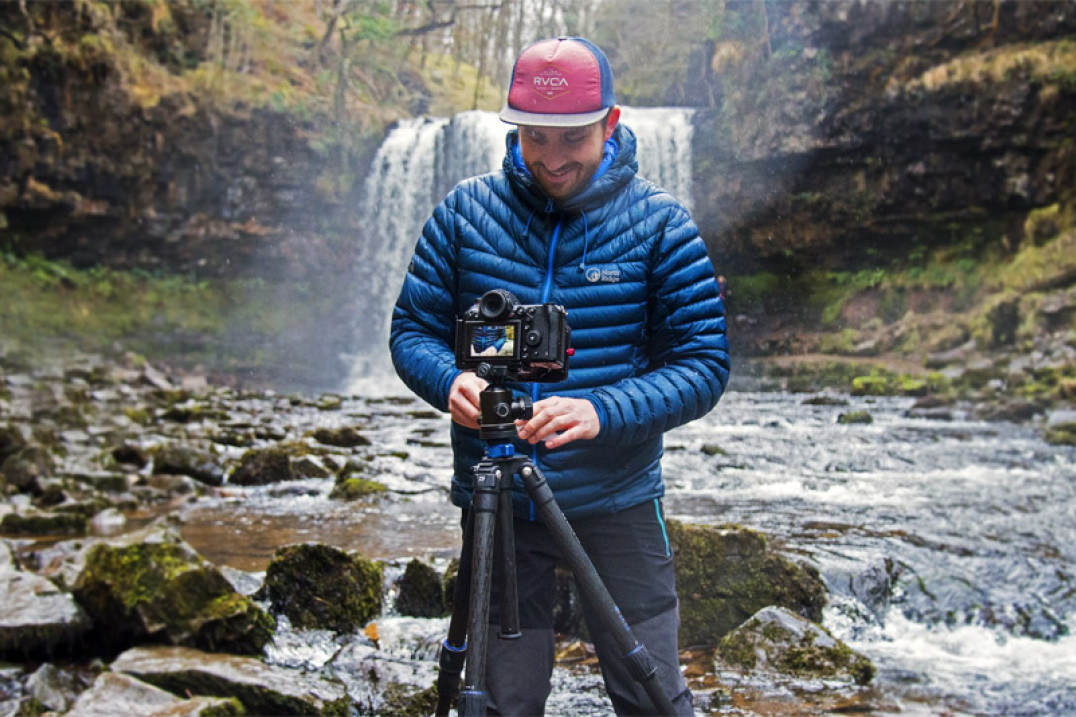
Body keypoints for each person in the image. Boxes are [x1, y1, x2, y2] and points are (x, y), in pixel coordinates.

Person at [390, 36, 730, 715]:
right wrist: (449, 380)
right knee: (502, 701)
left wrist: (603, 410)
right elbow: (412, 331)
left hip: (618, 494)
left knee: (653, 695)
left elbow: (704, 362)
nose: (551, 159)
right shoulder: (464, 213)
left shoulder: (659, 224)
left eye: (572, 138)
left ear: (610, 122)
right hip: (499, 499)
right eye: (534, 138)